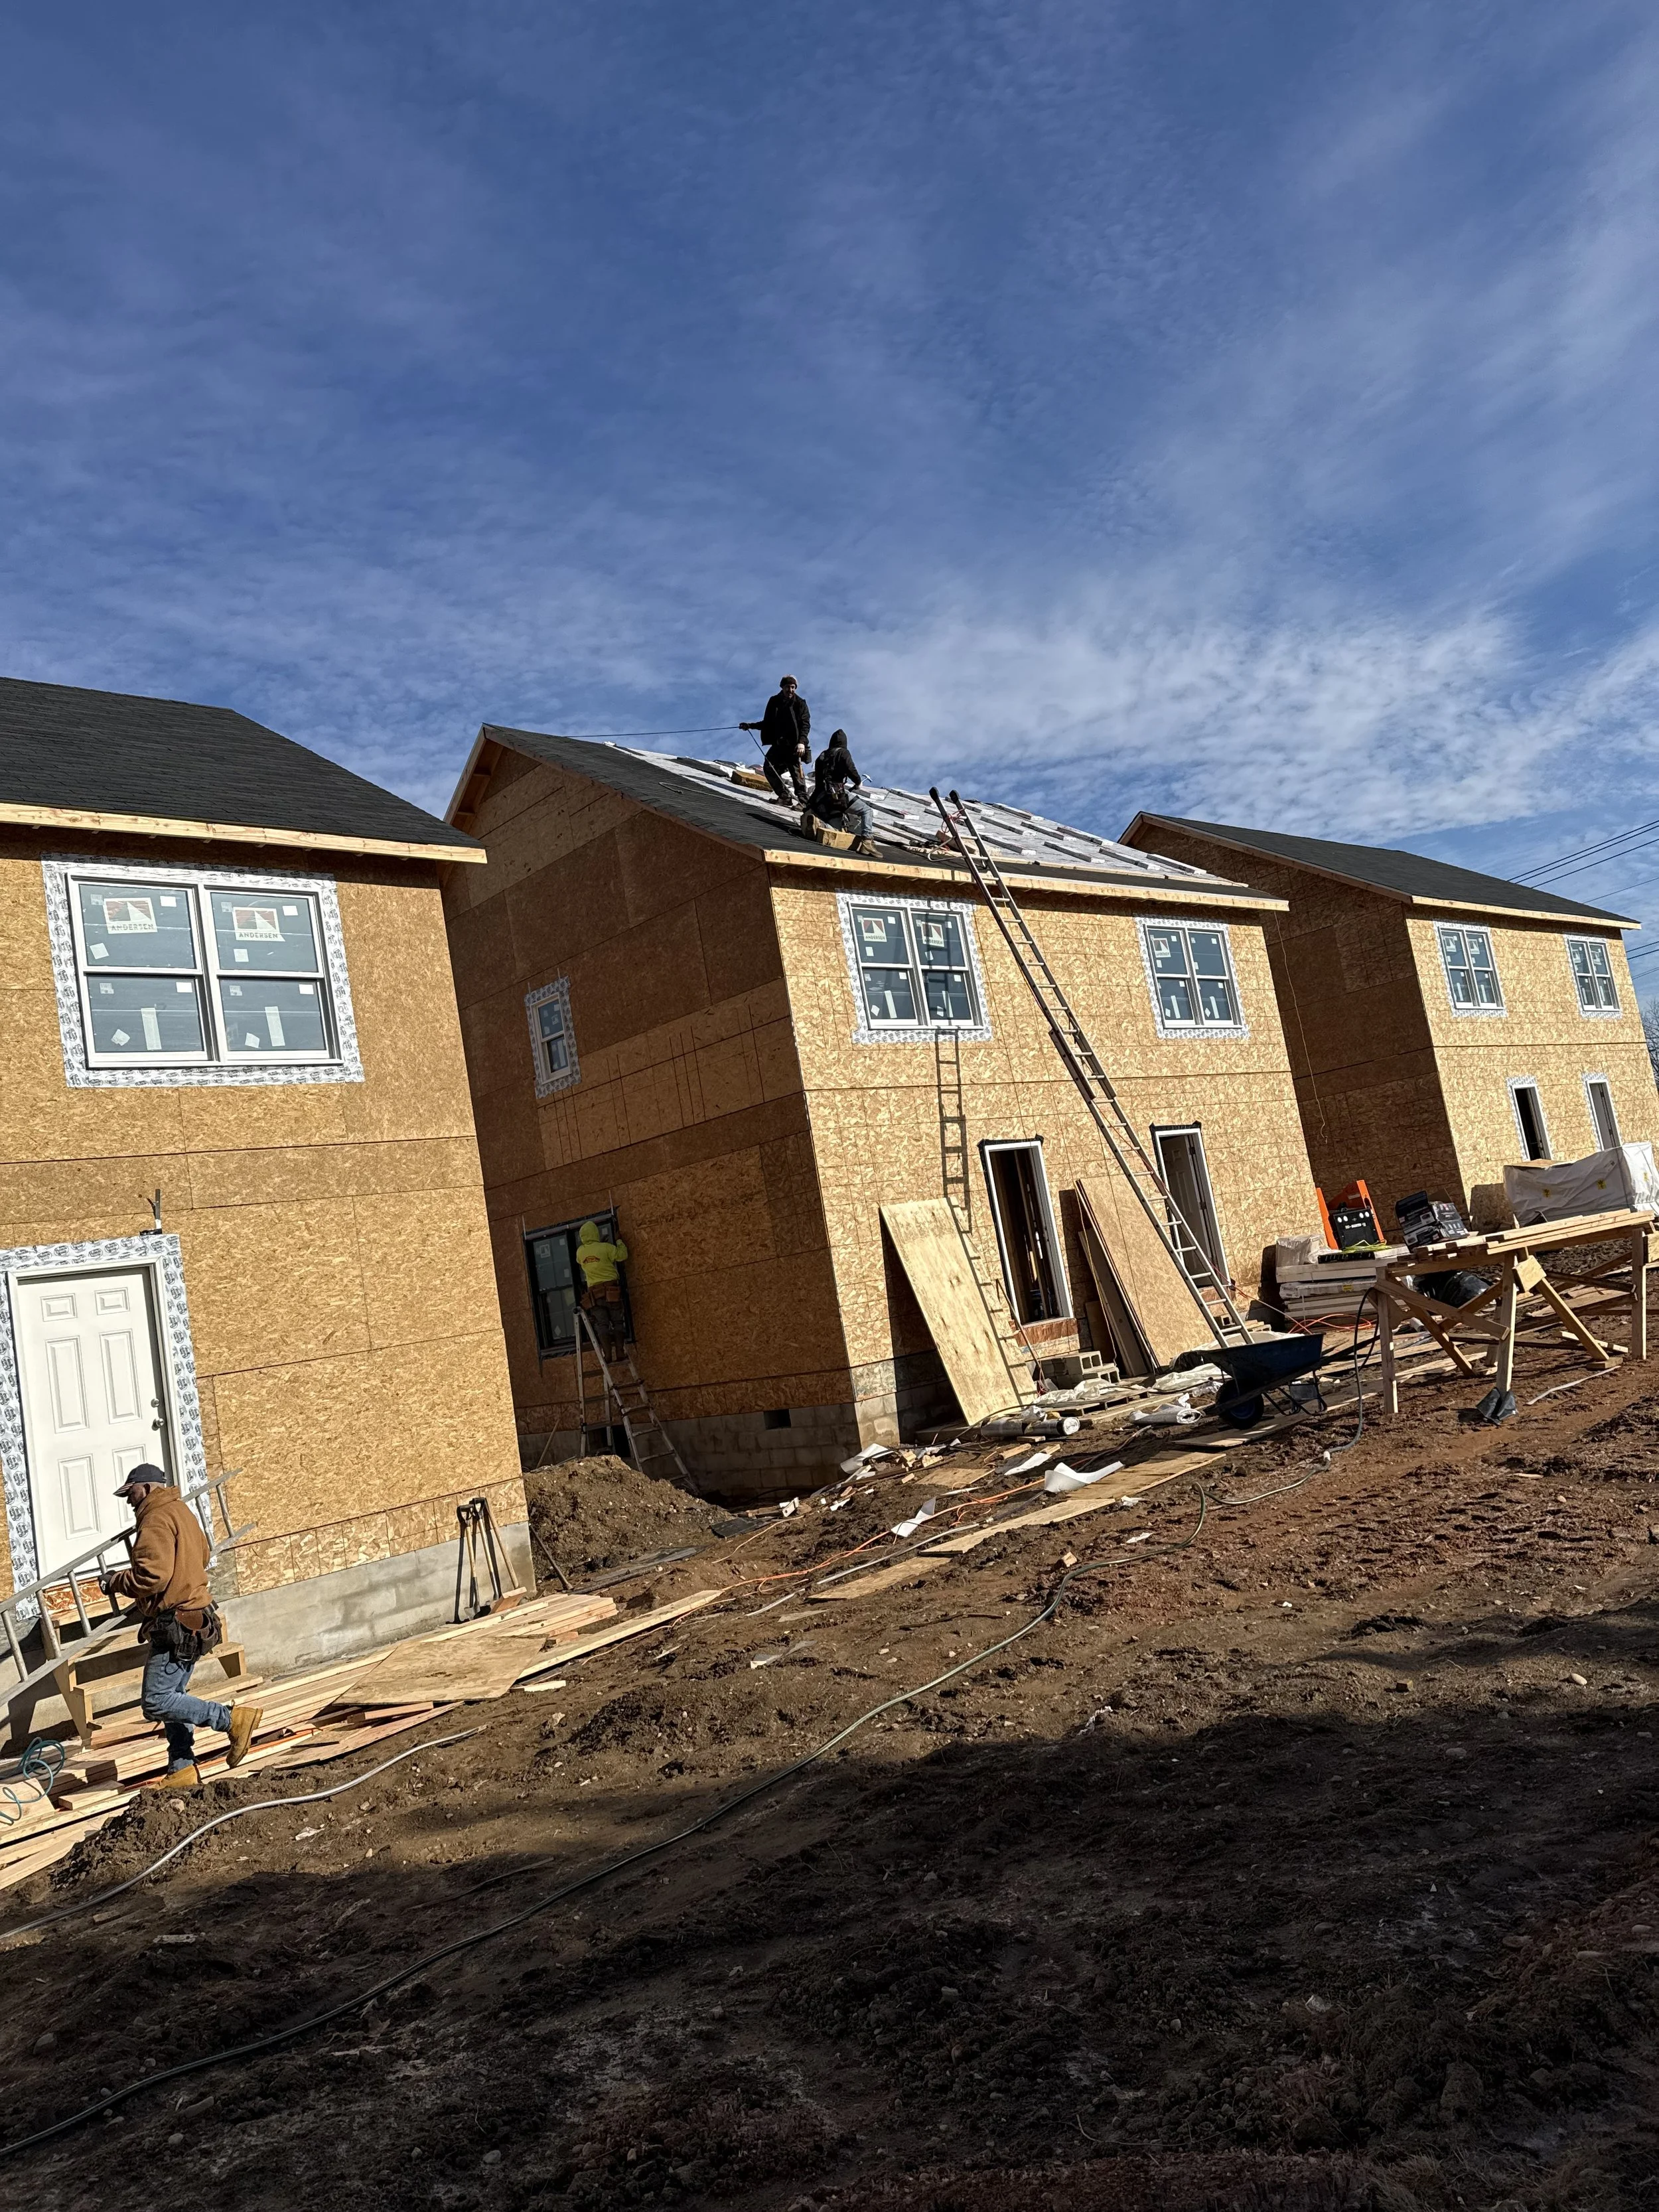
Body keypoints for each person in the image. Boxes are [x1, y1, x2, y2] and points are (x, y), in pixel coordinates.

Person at [102, 1465, 263, 1790]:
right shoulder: (180, 1510)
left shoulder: (155, 1519)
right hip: (196, 1618)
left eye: (130, 1493)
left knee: (156, 1701)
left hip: (176, 1623)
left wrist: (115, 1581)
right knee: (173, 1697)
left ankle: (233, 1720)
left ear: (145, 1488)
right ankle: (182, 1768)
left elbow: (153, 1576)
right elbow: (202, 1554)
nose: (129, 1501)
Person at [739, 675, 810, 806]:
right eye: (788, 687)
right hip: (779, 744)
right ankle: (784, 797)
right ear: (782, 687)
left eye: (793, 687)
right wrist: (750, 726)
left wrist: (802, 742)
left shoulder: (800, 703)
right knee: (769, 767)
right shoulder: (774, 701)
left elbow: (805, 725)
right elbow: (768, 723)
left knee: (797, 774)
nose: (790, 690)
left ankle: (804, 803)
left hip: (794, 745)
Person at [806, 728, 875, 851]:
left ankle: (820, 824)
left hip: (820, 797)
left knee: (836, 830)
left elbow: (818, 782)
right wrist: (858, 782)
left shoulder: (822, 756)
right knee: (867, 811)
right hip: (837, 795)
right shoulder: (843, 752)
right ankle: (867, 841)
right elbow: (851, 768)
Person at [574, 1218, 629, 1355]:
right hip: (612, 1291)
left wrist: (598, 1248)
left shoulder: (580, 1252)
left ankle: (608, 1354)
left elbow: (589, 1258)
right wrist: (619, 1241)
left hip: (595, 1296)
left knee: (602, 1324)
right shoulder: (606, 1248)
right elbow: (623, 1255)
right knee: (617, 1321)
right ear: (595, 1234)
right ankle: (620, 1352)